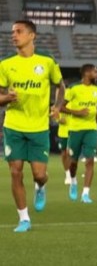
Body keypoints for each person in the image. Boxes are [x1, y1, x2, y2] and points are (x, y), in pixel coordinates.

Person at [0, 20, 65, 232]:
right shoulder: (5, 64)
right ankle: (24, 219)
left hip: (39, 127)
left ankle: (41, 186)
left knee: (39, 174)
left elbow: (60, 86)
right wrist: (7, 97)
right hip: (14, 126)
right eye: (12, 32)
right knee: (16, 172)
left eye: (19, 32)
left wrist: (57, 106)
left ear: (31, 35)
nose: (14, 35)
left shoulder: (46, 61)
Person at [60, 64, 97, 204]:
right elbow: (61, 107)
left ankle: (85, 193)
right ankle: (73, 181)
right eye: (95, 72)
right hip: (75, 130)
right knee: (73, 162)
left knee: (90, 160)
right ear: (87, 73)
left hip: (91, 129)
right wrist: (78, 112)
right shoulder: (73, 89)